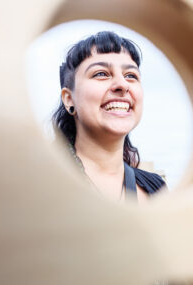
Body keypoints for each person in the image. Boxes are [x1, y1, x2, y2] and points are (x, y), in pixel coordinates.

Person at [52, 31, 166, 204]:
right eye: (101, 73)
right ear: (69, 99)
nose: (122, 85)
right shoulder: (40, 179)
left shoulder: (156, 189)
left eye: (131, 76)